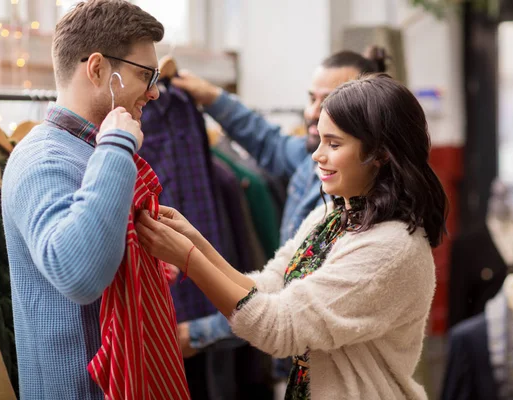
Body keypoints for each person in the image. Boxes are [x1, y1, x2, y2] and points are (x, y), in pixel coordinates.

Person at [136, 73, 449, 399]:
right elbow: (270, 287)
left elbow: (279, 327)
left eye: (335, 144)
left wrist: (189, 259)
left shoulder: (392, 248)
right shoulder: (330, 216)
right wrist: (194, 241)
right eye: (322, 140)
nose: (317, 155)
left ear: (381, 154)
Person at [1, 1, 189, 399]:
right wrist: (118, 144)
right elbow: (78, 274)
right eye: (145, 75)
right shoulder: (43, 159)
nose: (155, 92)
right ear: (99, 68)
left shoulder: (95, 150)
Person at [173, 48, 388, 361]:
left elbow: (289, 314)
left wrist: (196, 331)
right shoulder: (310, 163)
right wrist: (211, 97)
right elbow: (267, 141)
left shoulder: (367, 223)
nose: (313, 111)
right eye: (312, 98)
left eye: (328, 101)